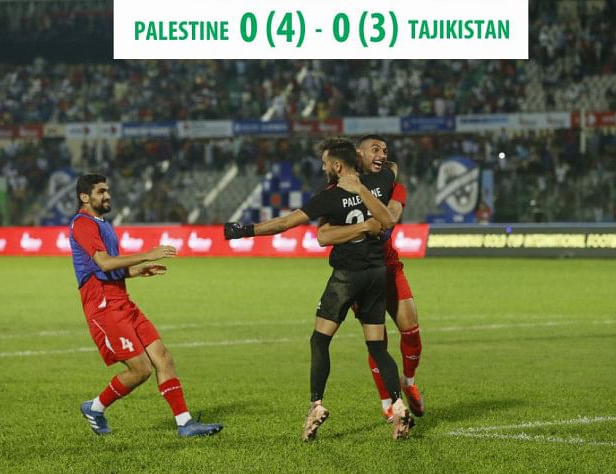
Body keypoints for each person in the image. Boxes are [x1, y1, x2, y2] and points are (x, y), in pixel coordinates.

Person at [224, 137, 415, 441]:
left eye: (326, 162)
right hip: (376, 275)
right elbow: (390, 181)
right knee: (378, 347)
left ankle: (316, 405)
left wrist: (243, 230)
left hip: (346, 277)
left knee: (320, 340)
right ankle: (398, 405)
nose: (323, 167)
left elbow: (286, 223)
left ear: (337, 166)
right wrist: (363, 187)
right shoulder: (379, 182)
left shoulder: (329, 197)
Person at [70, 173, 223, 437]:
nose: (107, 195)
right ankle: (95, 407)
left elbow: (110, 268)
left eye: (107, 190)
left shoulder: (103, 224)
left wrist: (137, 271)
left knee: (163, 356)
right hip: (103, 304)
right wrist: (147, 255)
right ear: (85, 197)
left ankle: (185, 424)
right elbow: (104, 264)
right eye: (101, 191)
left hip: (121, 299)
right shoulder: (83, 224)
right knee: (141, 370)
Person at [315, 134, 424, 422]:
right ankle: (387, 402)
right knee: (378, 341)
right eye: (375, 149)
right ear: (358, 154)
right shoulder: (337, 190)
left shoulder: (393, 185)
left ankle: (408, 382)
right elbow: (323, 233)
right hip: (359, 272)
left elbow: (392, 216)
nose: (382, 155)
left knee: (411, 332)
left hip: (390, 268)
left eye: (385, 150)